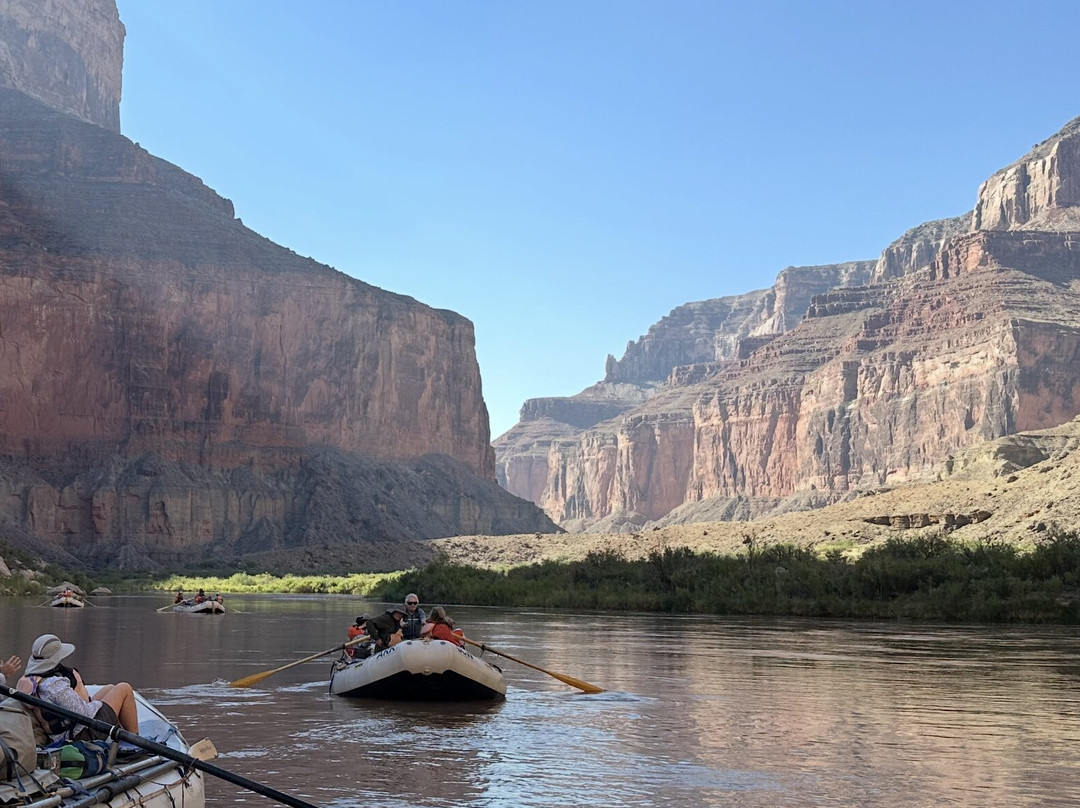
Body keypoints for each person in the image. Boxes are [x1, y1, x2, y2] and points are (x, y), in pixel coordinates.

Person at [18, 633, 139, 742]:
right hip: (80, 734)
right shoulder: (54, 685)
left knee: (110, 688)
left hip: (65, 731)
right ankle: (136, 740)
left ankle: (120, 735)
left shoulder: (33, 680)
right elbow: (84, 714)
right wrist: (98, 703)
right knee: (124, 688)